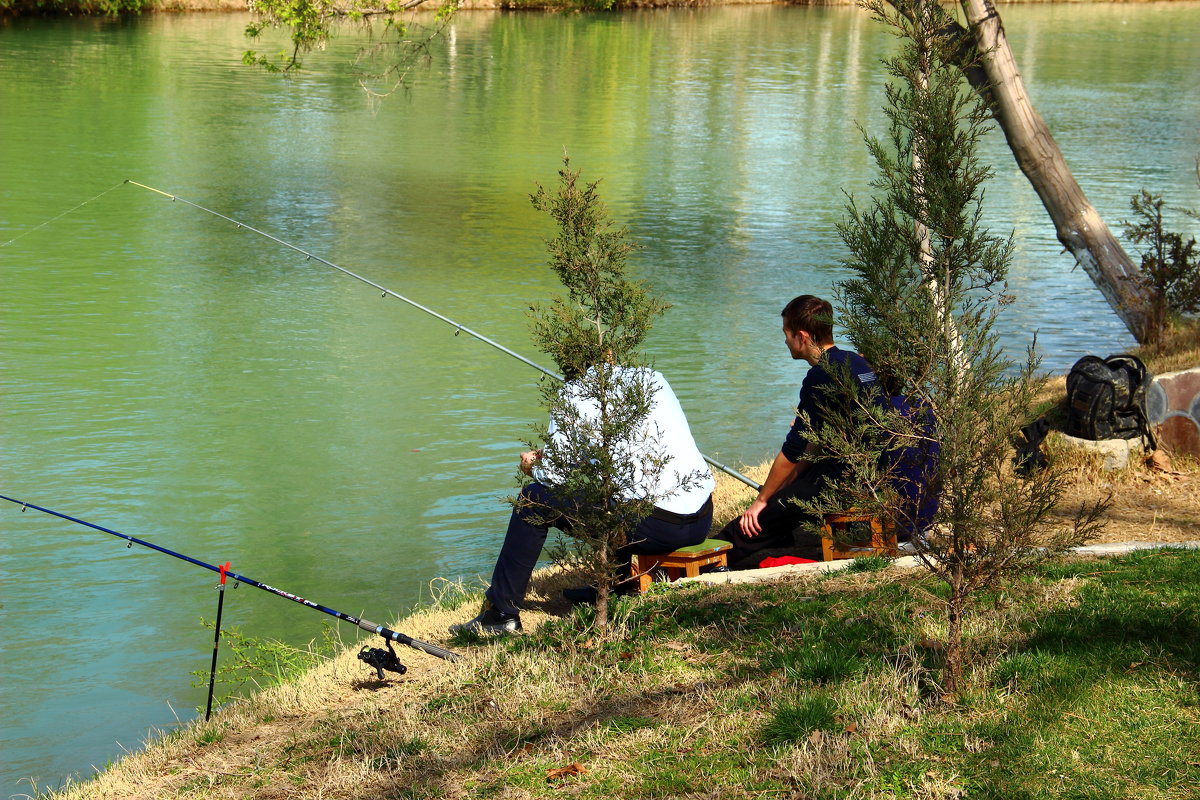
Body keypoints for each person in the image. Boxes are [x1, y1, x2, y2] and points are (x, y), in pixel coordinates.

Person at [451, 365, 715, 635]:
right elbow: (621, 446)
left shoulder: (573, 392)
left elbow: (553, 475)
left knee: (532, 498)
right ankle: (614, 586)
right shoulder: (652, 376)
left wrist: (532, 465)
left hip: (656, 530)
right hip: (701, 518)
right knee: (619, 491)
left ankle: (501, 613)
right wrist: (556, 451)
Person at [716, 295, 883, 569]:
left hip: (841, 481)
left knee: (749, 524)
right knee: (785, 498)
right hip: (874, 472)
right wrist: (786, 484)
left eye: (787, 334)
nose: (785, 342)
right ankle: (780, 546)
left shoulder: (821, 375)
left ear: (802, 337)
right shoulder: (856, 362)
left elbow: (795, 448)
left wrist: (761, 500)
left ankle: (710, 565)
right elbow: (818, 442)